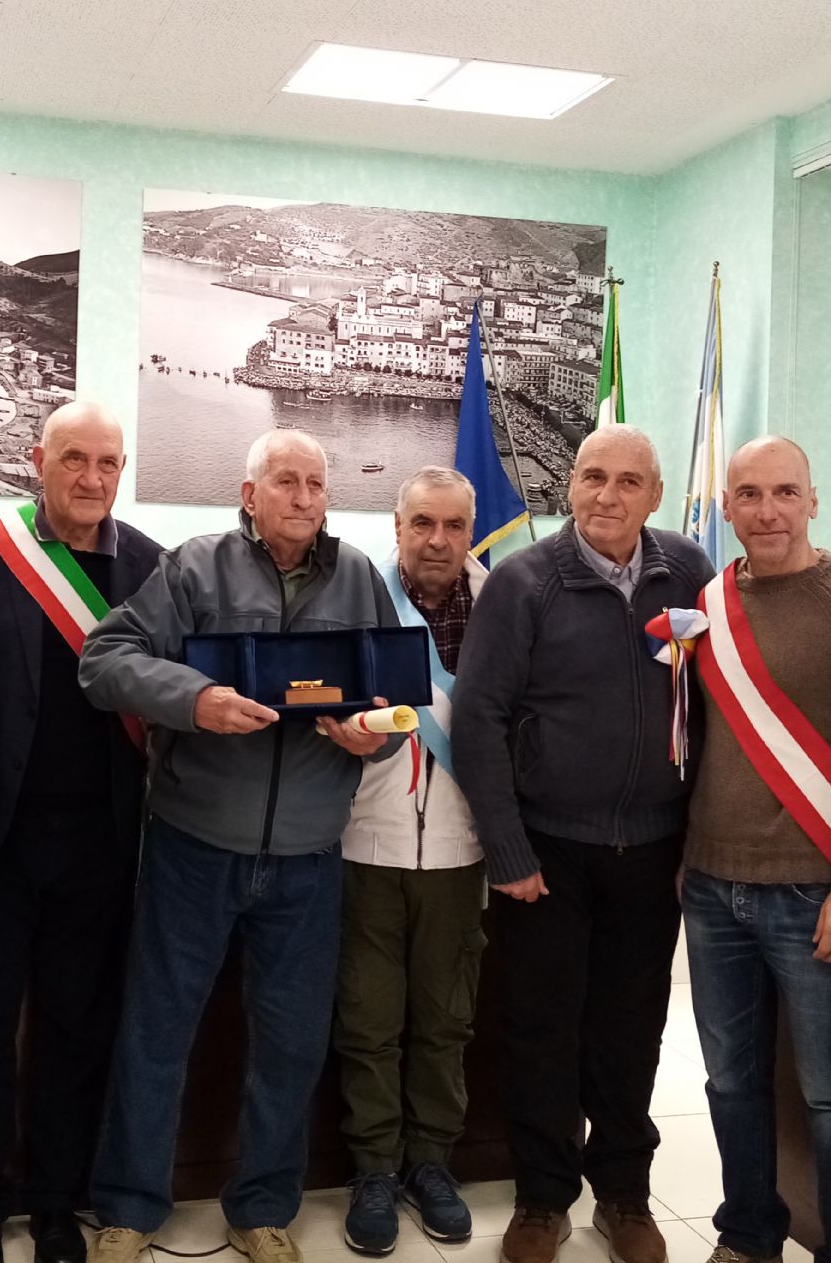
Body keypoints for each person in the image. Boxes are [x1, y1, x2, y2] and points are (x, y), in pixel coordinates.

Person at [78, 429, 402, 1263]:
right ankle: (128, 1207)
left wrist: (378, 735)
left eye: (316, 484)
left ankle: (262, 1208)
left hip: (308, 858)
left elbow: (395, 701)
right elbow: (104, 660)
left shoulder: (360, 577)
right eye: (286, 481)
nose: (304, 497)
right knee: (156, 1031)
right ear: (250, 494)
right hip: (193, 846)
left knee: (291, 1044)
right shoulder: (195, 566)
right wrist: (195, 699)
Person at [454, 424, 715, 1263]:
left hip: (654, 849)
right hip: (548, 852)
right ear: (569, 485)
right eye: (593, 476)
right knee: (542, 1030)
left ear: (656, 494)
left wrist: (697, 839)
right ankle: (541, 1199)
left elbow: (715, 710)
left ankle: (625, 1194)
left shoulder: (691, 573)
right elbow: (480, 718)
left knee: (632, 1031)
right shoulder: (524, 581)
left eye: (629, 481)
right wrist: (508, 850)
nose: (608, 495)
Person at [0, 401, 161, 1263]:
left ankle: (56, 1200)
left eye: (108, 463)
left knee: (76, 1029)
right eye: (74, 459)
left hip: (101, 845)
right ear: (38, 461)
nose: (92, 479)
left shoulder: (149, 563)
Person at [680, 438, 831, 1263]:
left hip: (817, 893)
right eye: (749, 494)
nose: (767, 511)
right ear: (727, 506)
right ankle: (748, 1235)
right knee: (730, 1081)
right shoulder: (709, 602)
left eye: (784, 493)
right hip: (712, 889)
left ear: (813, 500)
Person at [335, 465, 488, 1256]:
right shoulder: (355, 599)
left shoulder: (504, 606)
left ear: (471, 532)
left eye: (453, 525)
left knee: (444, 1020)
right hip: (366, 842)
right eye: (422, 523)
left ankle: (431, 1163)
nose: (437, 540)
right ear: (397, 527)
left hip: (462, 851)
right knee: (368, 1021)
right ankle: (373, 1169)